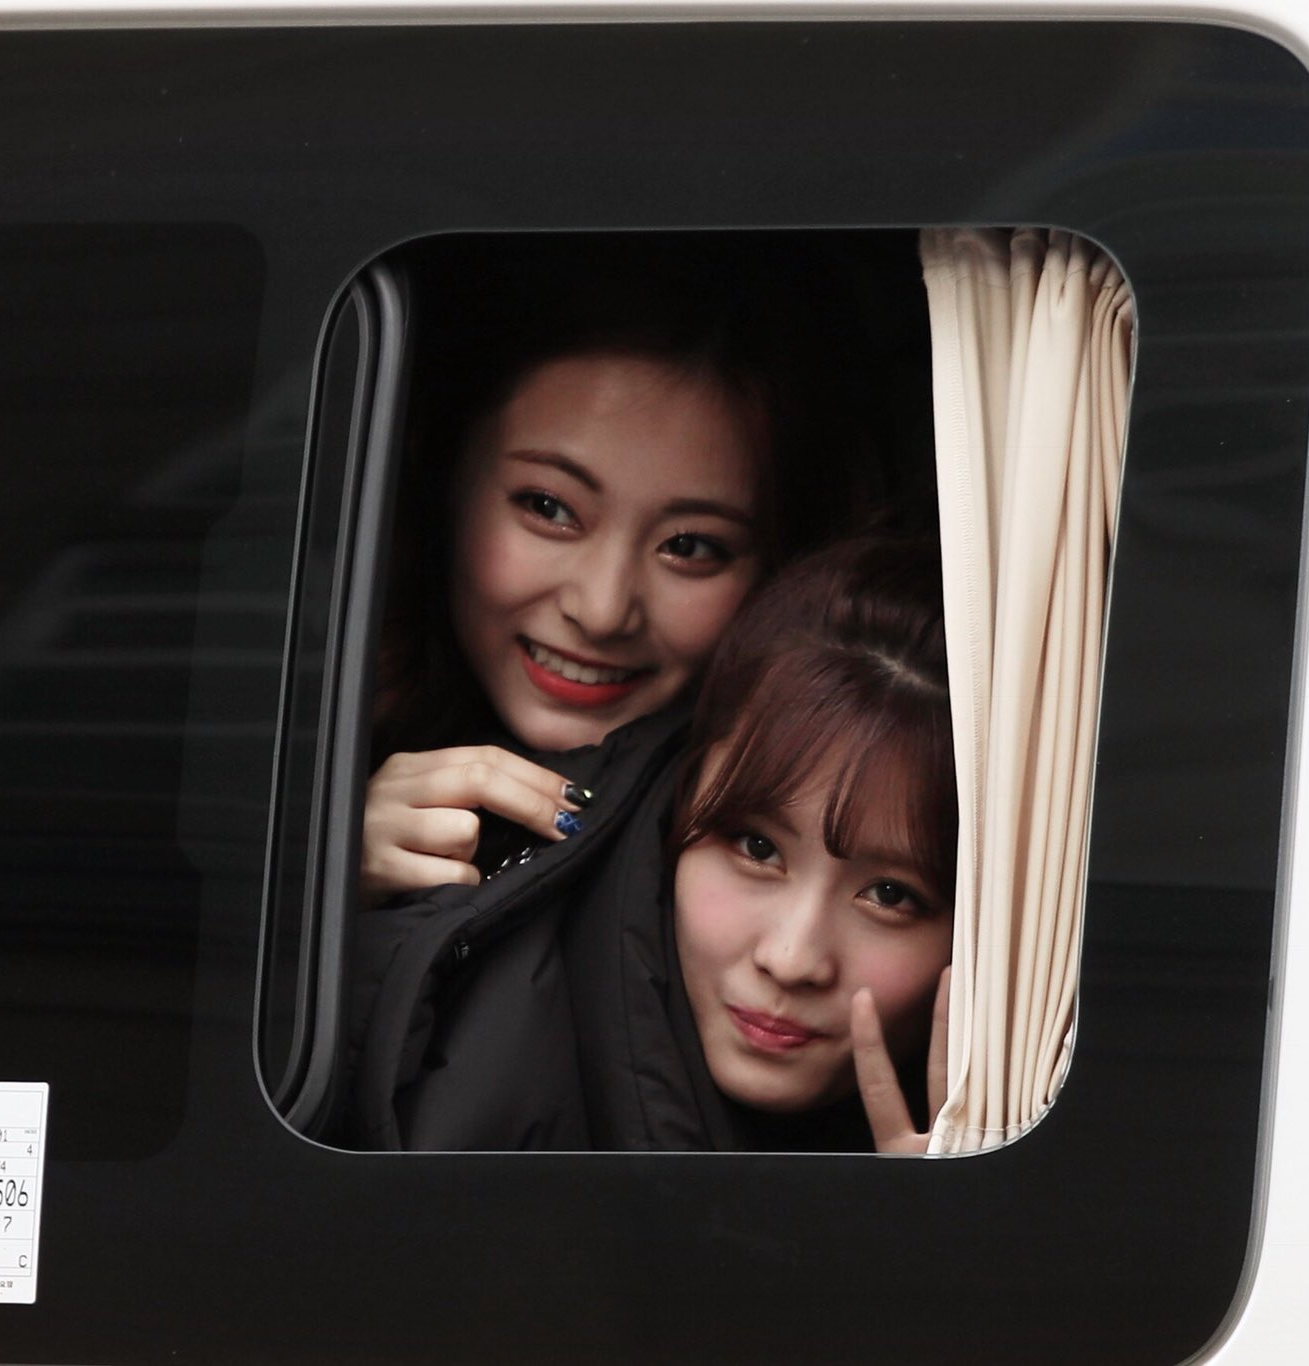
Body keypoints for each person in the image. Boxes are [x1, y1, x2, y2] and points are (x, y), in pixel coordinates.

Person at [339, 536, 955, 1153]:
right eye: (757, 848)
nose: (791, 959)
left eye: (889, 895)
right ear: (684, 795)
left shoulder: (983, 1164)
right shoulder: (456, 1051)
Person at [361, 238, 894, 902]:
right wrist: (323, 864)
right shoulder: (308, 720)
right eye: (549, 508)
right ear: (442, 479)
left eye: (690, 547)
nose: (603, 609)